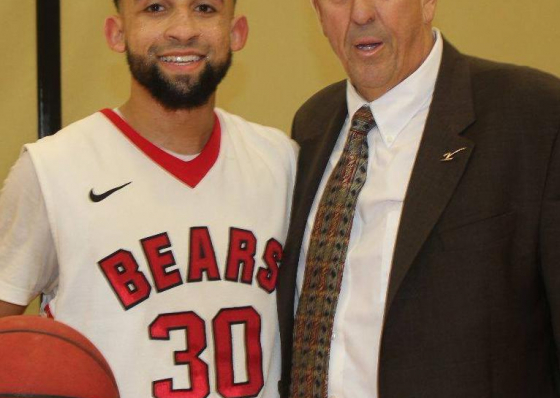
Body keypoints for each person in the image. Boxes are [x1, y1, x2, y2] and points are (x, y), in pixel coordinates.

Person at [0, 1, 297, 397]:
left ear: (236, 32)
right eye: (155, 8)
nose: (183, 29)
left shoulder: (283, 162)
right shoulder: (50, 169)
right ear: (117, 33)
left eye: (205, 8)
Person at [277, 0, 560, 397]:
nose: (361, 14)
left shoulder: (536, 117)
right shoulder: (312, 123)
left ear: (428, 3)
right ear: (318, 13)